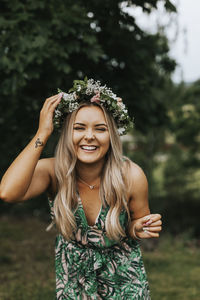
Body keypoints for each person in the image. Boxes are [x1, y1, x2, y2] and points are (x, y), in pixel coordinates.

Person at [0, 78, 162, 299]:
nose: (89, 136)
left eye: (100, 129)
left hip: (125, 281)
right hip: (74, 280)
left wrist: (138, 229)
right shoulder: (53, 172)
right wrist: (42, 133)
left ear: (112, 135)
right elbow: (8, 192)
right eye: (79, 128)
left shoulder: (131, 175)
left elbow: (137, 223)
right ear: (67, 133)